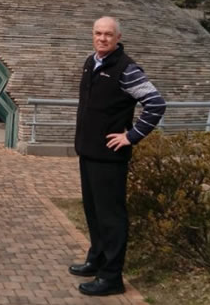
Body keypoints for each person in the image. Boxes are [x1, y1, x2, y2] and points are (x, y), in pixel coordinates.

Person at [68, 16, 166, 297]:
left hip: (110, 157)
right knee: (93, 212)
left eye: (108, 34)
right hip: (88, 152)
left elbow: (156, 103)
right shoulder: (91, 62)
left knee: (111, 218)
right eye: (98, 33)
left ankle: (111, 278)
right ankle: (96, 260)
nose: (102, 38)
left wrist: (131, 136)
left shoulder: (126, 69)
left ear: (118, 37)